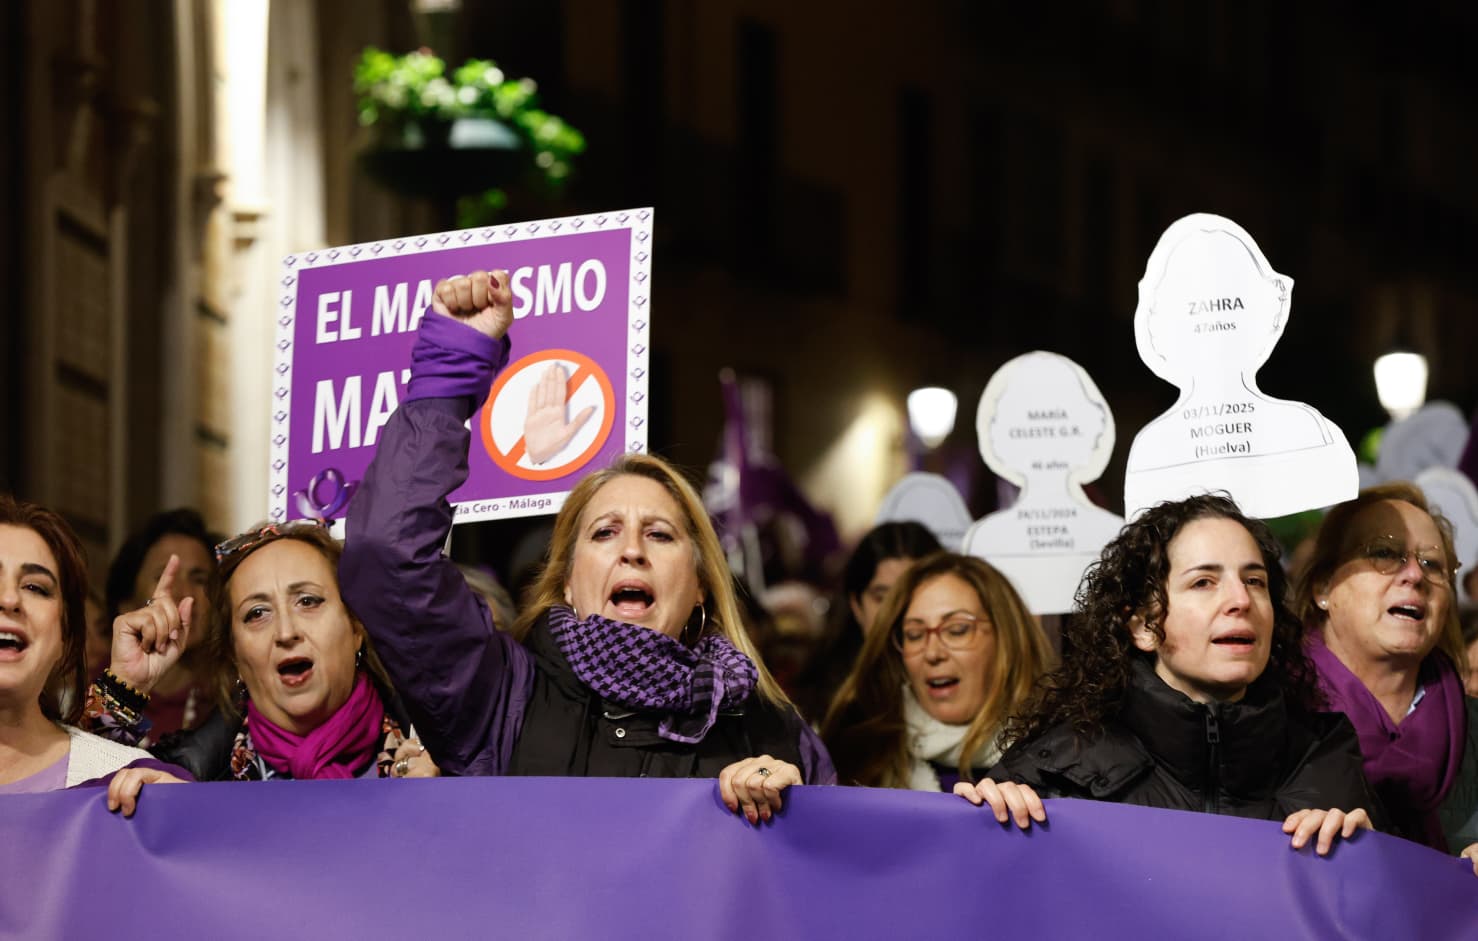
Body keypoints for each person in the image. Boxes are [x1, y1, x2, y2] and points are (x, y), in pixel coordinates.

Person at [339, 270, 834, 826]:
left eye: (659, 534)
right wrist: (452, 365)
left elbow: (844, 866)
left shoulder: (770, 731)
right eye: (604, 532)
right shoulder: (500, 697)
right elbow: (387, 555)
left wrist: (800, 816)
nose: (632, 550)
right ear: (569, 583)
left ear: (700, 586)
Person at [961, 494, 1380, 858]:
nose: (1241, 600)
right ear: (1144, 626)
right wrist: (985, 829)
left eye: (1255, 581)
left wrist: (1369, 860)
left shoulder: (1325, 763)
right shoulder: (1054, 770)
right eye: (1203, 582)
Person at [90, 520, 437, 803]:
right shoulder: (189, 778)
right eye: (257, 613)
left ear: (355, 628)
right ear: (236, 656)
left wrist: (446, 797)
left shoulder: (435, 751)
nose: (286, 632)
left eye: (308, 601)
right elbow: (81, 815)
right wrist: (125, 684)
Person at [1293, 482, 1478, 860]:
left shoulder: (1474, 727)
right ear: (1323, 587)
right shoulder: (1266, 715)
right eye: (1384, 553)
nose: (1414, 576)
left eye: (1432, 564)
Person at [820, 552, 1052, 790]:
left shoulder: (1058, 760)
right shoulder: (857, 757)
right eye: (914, 635)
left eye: (957, 630)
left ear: (1007, 639)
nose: (932, 653)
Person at [0, 495, 178, 801]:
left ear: (66, 636)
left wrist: (185, 813)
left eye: (34, 587)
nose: (9, 600)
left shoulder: (130, 782)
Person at [791, 521, 940, 722]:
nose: (897, 612)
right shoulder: (824, 702)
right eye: (882, 598)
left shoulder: (955, 688)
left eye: (912, 596)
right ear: (856, 606)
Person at [103, 508, 219, 739]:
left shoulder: (230, 701)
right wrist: (124, 688)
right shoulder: (94, 689)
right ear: (126, 603)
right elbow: (89, 756)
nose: (185, 594)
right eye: (164, 576)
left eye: (199, 580)